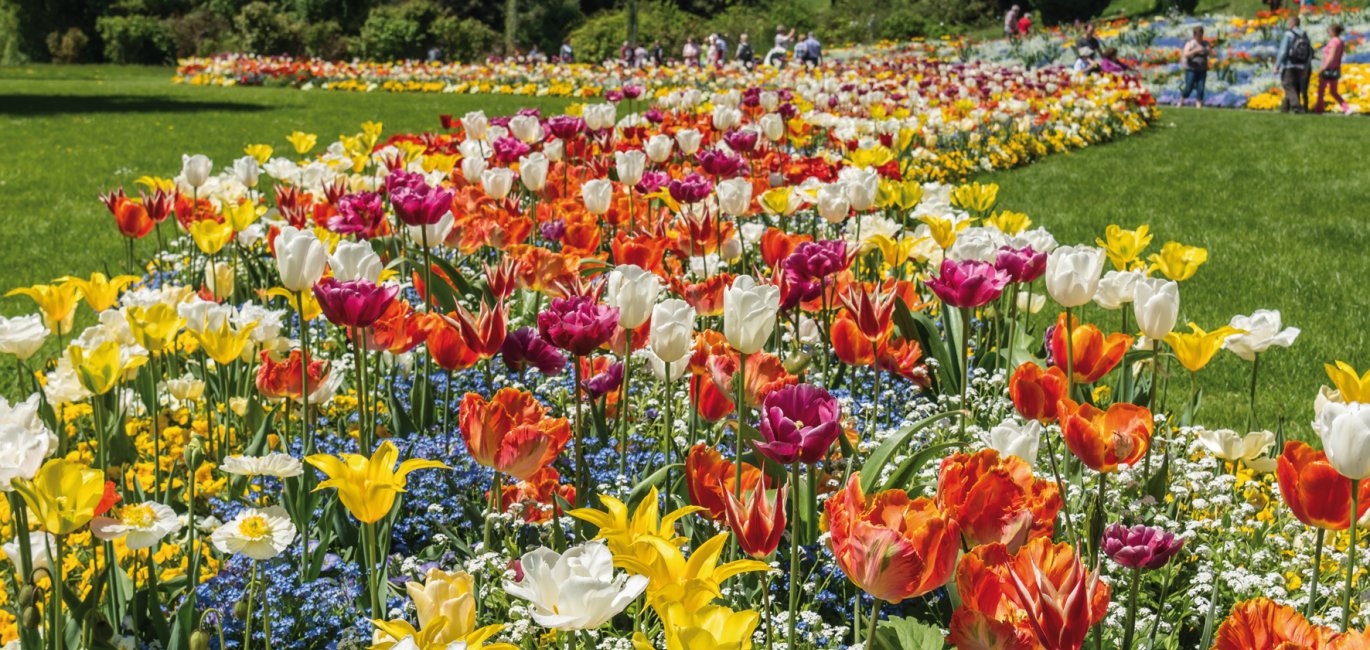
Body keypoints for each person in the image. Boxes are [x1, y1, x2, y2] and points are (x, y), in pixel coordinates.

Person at [1275, 16, 1313, 113]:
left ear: (1292, 24)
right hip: (1301, 65)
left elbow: (1283, 51)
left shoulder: (1289, 34)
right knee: (1294, 87)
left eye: (1288, 23)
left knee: (1288, 85)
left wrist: (1277, 65)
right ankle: (1284, 109)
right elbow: (1309, 52)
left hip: (1290, 64)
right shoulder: (1304, 34)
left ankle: (1297, 107)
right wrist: (1305, 66)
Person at [1314, 23, 1351, 114]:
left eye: (1329, 31)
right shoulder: (1341, 41)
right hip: (1336, 69)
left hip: (1328, 69)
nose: (1328, 33)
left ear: (1333, 32)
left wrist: (1323, 68)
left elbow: (1331, 56)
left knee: (1321, 90)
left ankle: (1319, 109)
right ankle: (1346, 108)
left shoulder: (1333, 42)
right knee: (1333, 91)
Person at [1179, 26, 1210, 108]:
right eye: (1198, 35)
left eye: (1201, 35)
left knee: (1201, 87)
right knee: (1189, 86)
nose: (1200, 37)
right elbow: (1185, 54)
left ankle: (1198, 103)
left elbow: (1210, 52)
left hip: (1202, 69)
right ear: (1195, 35)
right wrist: (1196, 50)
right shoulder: (1190, 43)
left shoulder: (1205, 43)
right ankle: (1182, 99)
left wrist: (1207, 50)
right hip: (1191, 69)